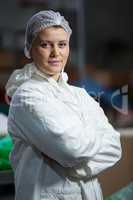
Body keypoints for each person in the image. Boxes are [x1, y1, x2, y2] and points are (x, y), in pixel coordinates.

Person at [6, 10, 122, 200]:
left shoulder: (79, 94)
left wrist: (76, 166)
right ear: (30, 49)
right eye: (45, 45)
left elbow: (114, 147)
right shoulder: (27, 96)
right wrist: (94, 134)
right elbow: (71, 148)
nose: (56, 53)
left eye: (62, 44)